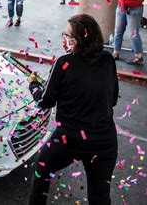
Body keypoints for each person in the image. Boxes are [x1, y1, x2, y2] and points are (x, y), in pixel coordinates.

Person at [27, 14, 118, 205]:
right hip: (104, 141)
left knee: (41, 171)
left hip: (69, 139)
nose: (65, 39)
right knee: (100, 195)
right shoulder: (108, 59)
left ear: (80, 38)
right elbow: (112, 99)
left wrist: (34, 85)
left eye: (69, 35)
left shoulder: (64, 63)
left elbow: (45, 101)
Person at [102, 0, 146, 65]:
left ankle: (138, 56)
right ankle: (116, 53)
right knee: (118, 32)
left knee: (134, 34)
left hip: (134, 10)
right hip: (121, 8)